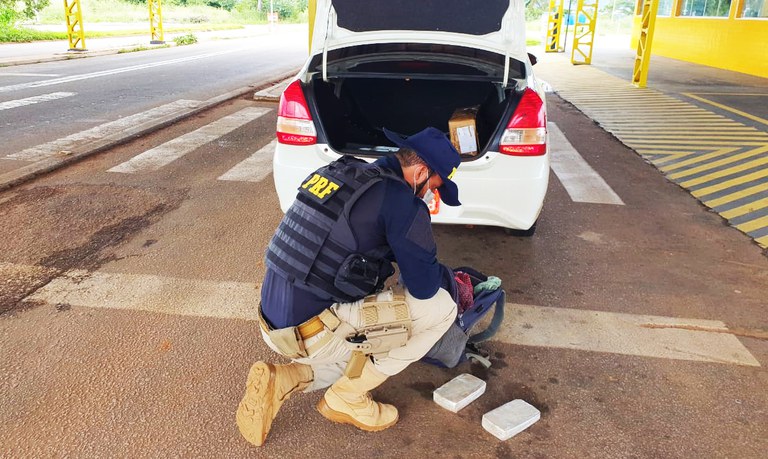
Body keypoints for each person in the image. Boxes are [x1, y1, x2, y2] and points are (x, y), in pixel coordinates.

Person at [236, 126, 462, 447]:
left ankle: (286, 377)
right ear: (421, 172)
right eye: (434, 187)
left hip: (272, 322)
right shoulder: (402, 204)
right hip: (315, 332)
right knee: (440, 310)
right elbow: (423, 288)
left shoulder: (341, 172)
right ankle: (348, 397)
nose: (430, 195)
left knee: (367, 331)